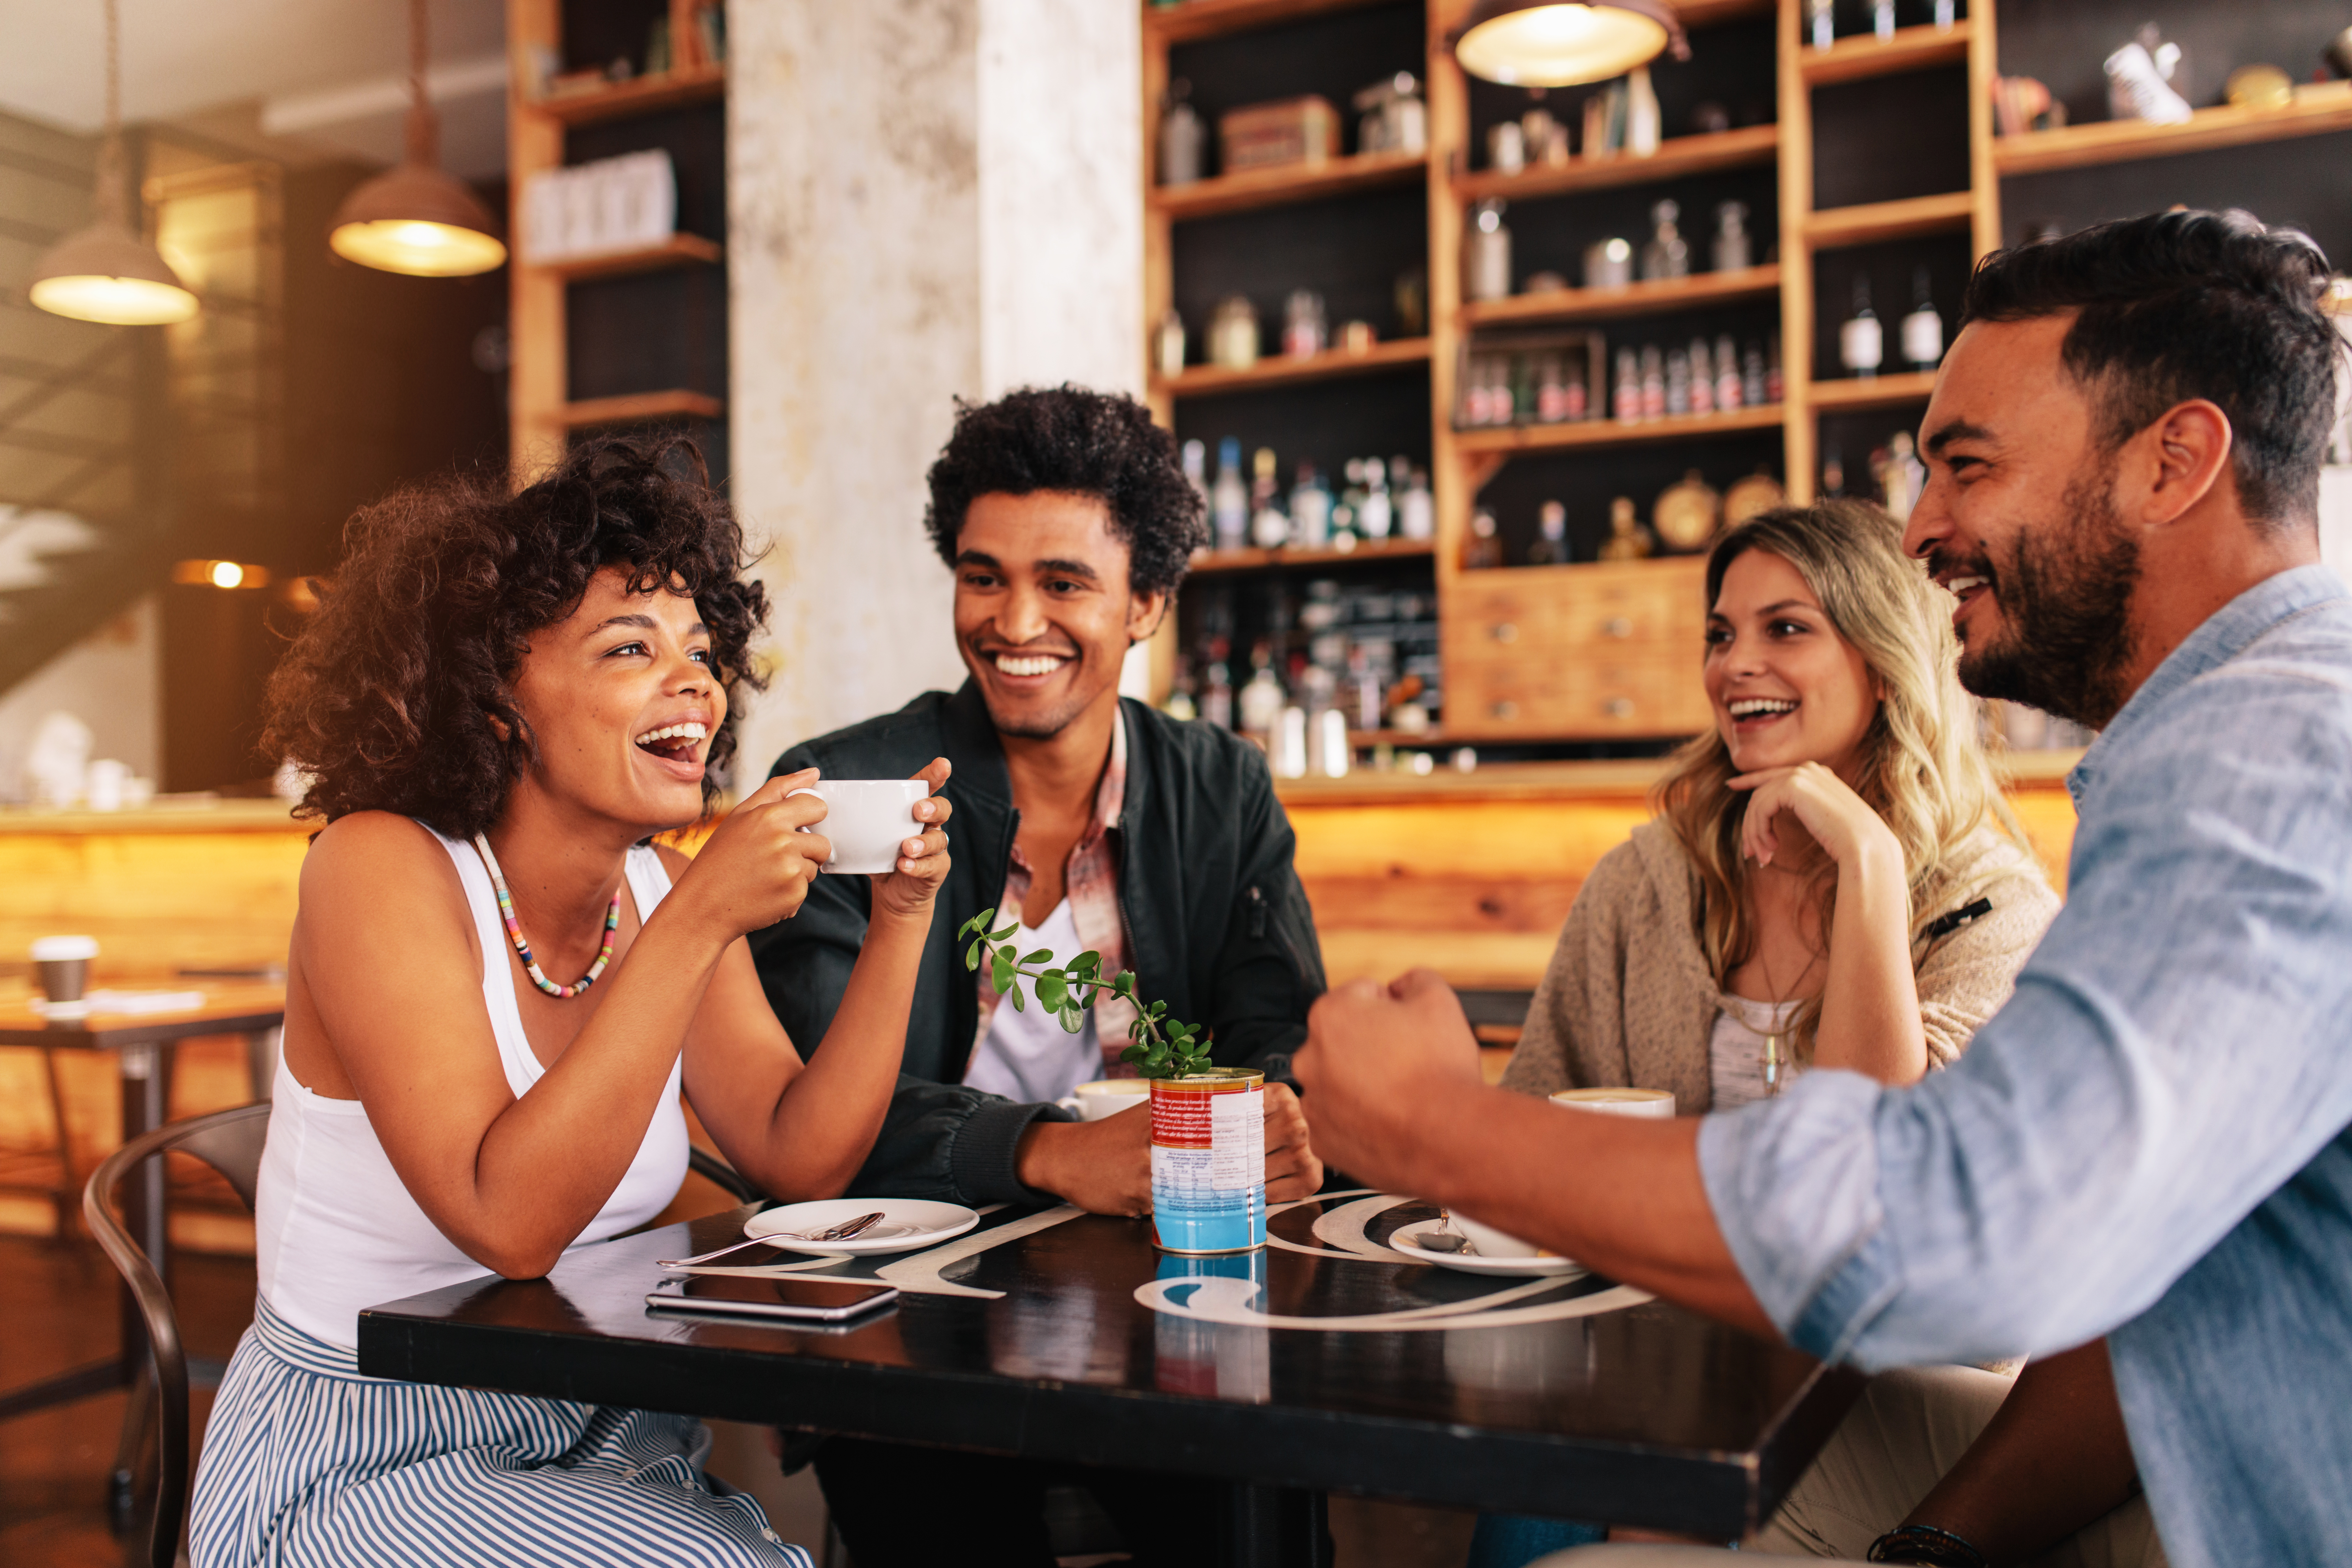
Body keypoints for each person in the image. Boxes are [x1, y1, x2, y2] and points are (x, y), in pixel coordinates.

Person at [1293, 207, 2352, 1568]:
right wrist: (1936, 1545)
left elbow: (1960, 1233)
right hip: (2183, 1444)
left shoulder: (2263, 752)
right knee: (1599, 1472)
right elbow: (2144, 1286)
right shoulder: (2233, 728)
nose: (1920, 528)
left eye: (1966, 466)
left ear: (2172, 462)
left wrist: (1432, 1127)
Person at [190, 436, 954, 1568]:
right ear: (499, 696)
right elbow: (508, 1224)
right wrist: (700, 922)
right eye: (631, 646)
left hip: (603, 1425)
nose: (696, 681)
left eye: (701, 650)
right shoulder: (379, 866)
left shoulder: (663, 889)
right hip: (362, 1455)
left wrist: (900, 919)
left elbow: (800, 1157)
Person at [749, 385, 1327, 1567]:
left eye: (1063, 583)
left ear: (1146, 603)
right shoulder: (847, 793)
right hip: (905, 1302)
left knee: (1259, 1520)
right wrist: (1050, 1153)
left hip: (1171, 1288)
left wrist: (1270, 1119)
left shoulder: (1221, 789)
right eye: (983, 576)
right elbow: (810, 1108)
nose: (1015, 622)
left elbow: (1275, 1033)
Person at [1473, 500, 2059, 1568]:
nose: (1733, 663)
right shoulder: (1645, 882)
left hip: (1896, 1386)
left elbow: (1878, 1186)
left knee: (1595, 1464)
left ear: (1884, 660)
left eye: (1785, 627)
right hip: (1659, 1351)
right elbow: (1529, 1129)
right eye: (1719, 632)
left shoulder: (1995, 913)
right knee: (1544, 1443)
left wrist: (1867, 865)